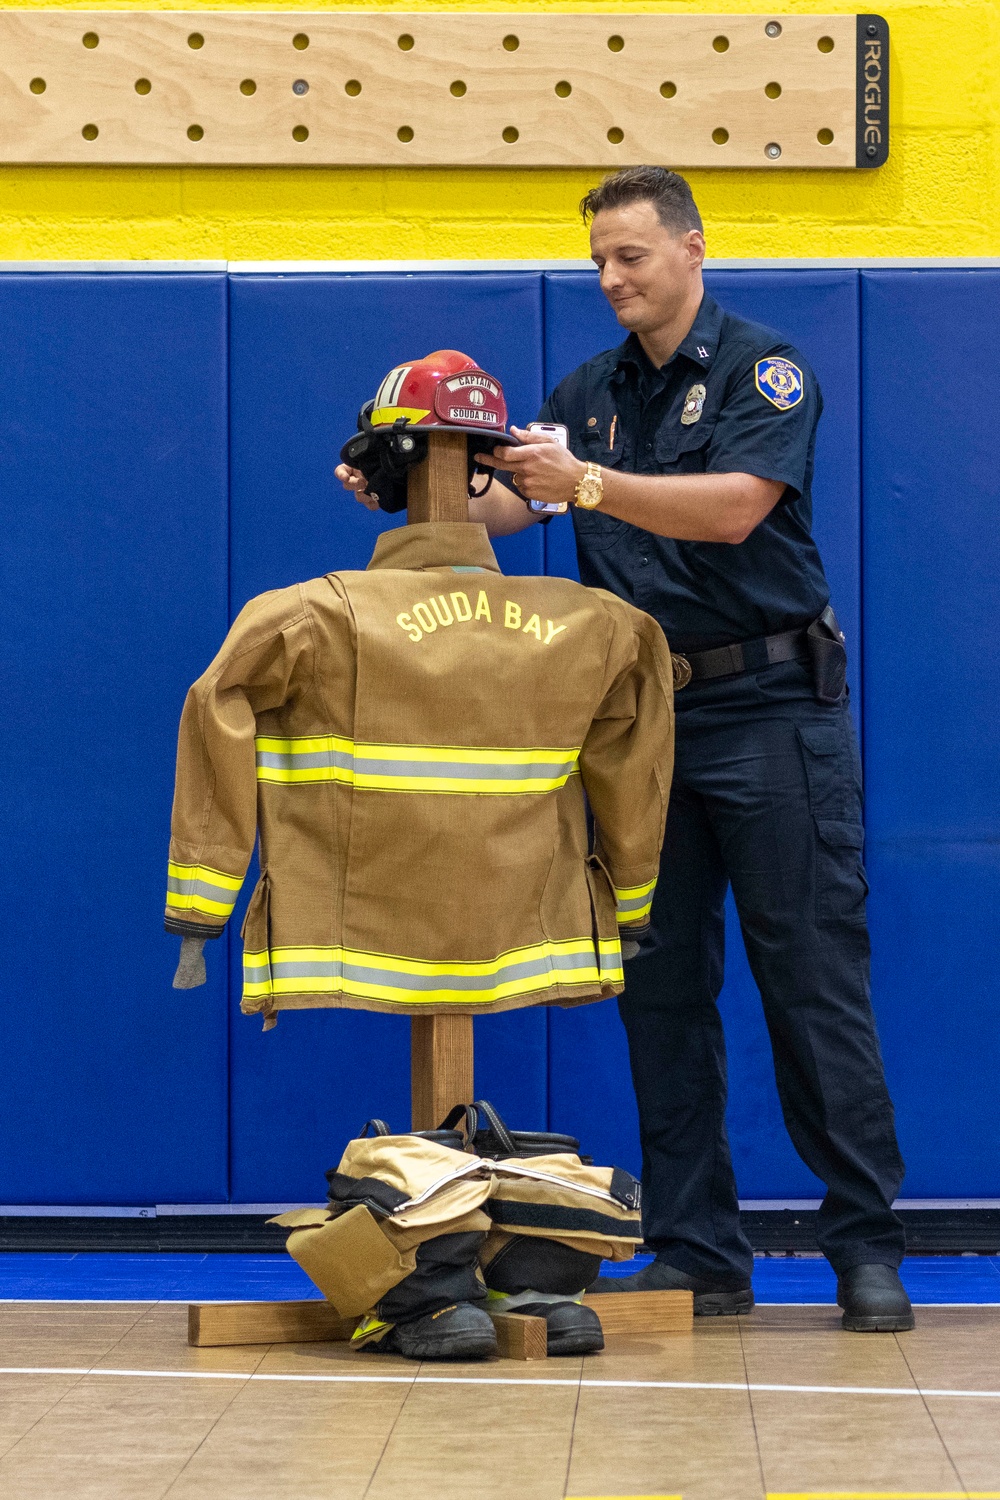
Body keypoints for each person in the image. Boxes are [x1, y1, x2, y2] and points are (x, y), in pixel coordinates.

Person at [337, 165, 913, 1334]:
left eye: (631, 257)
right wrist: (413, 487)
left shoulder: (764, 370)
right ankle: (700, 1253)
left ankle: (865, 1250)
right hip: (643, 726)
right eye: (598, 259)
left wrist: (584, 481)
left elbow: (737, 507)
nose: (610, 279)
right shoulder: (585, 389)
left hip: (771, 717)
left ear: (691, 250)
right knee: (661, 996)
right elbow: (510, 506)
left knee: (812, 989)